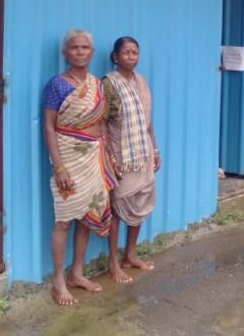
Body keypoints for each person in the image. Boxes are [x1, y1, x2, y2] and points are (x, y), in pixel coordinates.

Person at [42, 29, 115, 305]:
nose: (80, 52)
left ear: (92, 53)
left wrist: (107, 157)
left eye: (85, 47)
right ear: (65, 53)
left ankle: (76, 273)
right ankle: (58, 283)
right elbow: (49, 127)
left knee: (86, 217)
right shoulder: (57, 85)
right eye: (75, 47)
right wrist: (59, 167)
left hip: (94, 158)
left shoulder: (97, 85)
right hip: (68, 158)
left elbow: (101, 123)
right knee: (63, 220)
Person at [103, 37, 160, 284]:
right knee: (117, 206)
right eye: (126, 52)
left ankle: (130, 254)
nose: (131, 56)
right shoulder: (109, 84)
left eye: (135, 52)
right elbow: (102, 123)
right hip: (121, 154)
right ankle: (113, 262)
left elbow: (147, 120)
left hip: (143, 153)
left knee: (141, 202)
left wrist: (154, 149)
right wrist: (110, 156)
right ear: (115, 57)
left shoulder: (141, 81)